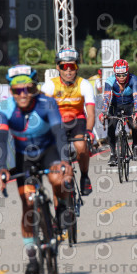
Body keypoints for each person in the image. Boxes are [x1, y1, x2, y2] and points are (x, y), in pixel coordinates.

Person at [0, 65, 72, 274]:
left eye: (28, 89)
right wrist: (1, 168)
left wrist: (65, 161)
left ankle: (62, 206)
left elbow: (59, 132)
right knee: (28, 206)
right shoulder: (4, 108)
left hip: (48, 150)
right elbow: (0, 140)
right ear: (11, 91)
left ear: (35, 89)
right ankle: (32, 259)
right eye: (17, 90)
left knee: (59, 179)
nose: (23, 94)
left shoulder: (47, 103)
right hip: (24, 157)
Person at [41, 48, 95, 196]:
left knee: (81, 146)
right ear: (58, 67)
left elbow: (90, 113)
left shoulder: (84, 84)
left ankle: (85, 176)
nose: (69, 70)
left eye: (72, 66)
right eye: (64, 66)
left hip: (78, 120)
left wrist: (89, 132)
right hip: (57, 122)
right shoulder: (50, 86)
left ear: (77, 67)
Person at [99, 59, 137, 165]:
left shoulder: (133, 79)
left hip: (130, 105)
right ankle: (113, 154)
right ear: (115, 73)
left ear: (128, 72)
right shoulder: (110, 80)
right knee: (111, 127)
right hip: (115, 106)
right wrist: (104, 112)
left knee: (135, 125)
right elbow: (107, 97)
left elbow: (136, 96)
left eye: (124, 75)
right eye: (119, 75)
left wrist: (136, 111)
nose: (122, 77)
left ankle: (135, 146)